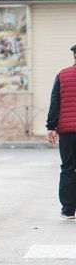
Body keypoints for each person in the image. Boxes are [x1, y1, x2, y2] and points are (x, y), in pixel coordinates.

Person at [45, 44, 76, 219]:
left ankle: (69, 210)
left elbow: (55, 101)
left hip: (68, 131)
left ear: (74, 57)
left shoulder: (62, 75)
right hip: (68, 129)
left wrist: (51, 127)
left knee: (68, 168)